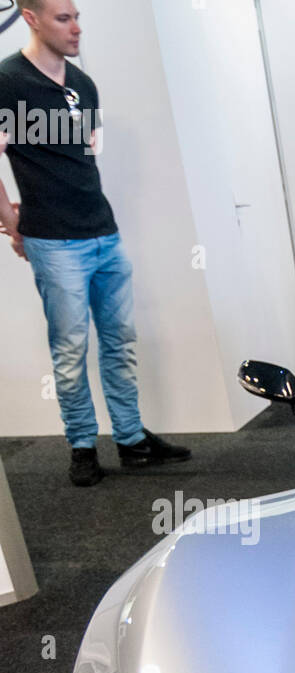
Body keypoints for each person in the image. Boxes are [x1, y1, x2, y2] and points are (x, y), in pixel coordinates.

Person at [0, 0, 190, 487]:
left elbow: (83, 158)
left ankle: (131, 440)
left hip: (104, 233)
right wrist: (12, 222)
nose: (76, 28)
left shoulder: (83, 85)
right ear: (31, 18)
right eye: (64, 18)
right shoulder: (9, 80)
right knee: (70, 349)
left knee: (120, 343)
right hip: (54, 240)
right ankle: (82, 447)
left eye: (78, 17)